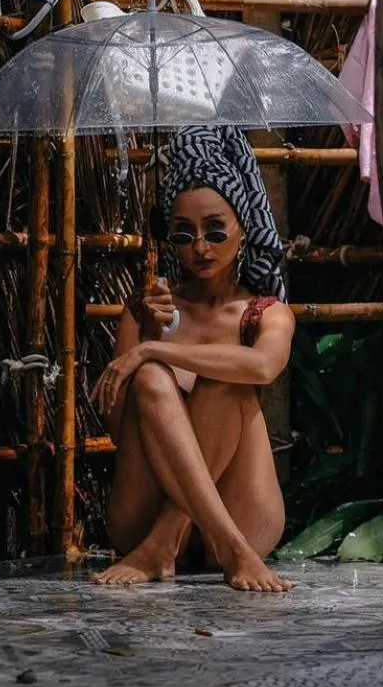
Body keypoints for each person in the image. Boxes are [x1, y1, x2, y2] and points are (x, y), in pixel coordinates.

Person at [90, 127, 294, 592]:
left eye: (215, 230)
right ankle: (185, 544)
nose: (201, 246)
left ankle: (168, 542)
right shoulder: (148, 311)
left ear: (243, 228)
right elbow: (120, 428)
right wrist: (147, 332)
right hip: (140, 512)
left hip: (244, 516)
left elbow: (263, 366)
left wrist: (156, 349)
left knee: (229, 376)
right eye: (184, 233)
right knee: (151, 382)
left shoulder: (265, 312)